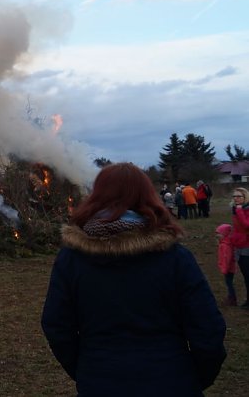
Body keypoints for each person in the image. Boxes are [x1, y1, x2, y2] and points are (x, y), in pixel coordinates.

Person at [41, 162, 226, 396]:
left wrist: (87, 370)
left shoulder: (71, 259)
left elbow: (56, 326)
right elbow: (207, 329)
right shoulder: (175, 258)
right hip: (172, 380)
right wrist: (194, 378)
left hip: (100, 382)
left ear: (96, 196)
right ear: (147, 196)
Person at [229, 187, 249, 307]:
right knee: (245, 275)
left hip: (247, 246)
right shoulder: (235, 209)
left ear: (244, 197)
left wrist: (240, 211)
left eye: (238, 196)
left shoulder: (245, 209)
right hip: (238, 245)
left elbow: (247, 225)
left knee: (248, 275)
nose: (236, 198)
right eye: (234, 196)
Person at [216, 224, 237, 306]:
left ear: (224, 234)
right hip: (229, 268)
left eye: (219, 233)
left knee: (229, 284)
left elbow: (226, 258)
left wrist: (224, 269)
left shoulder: (225, 245)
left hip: (228, 269)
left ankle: (232, 298)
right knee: (229, 283)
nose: (217, 235)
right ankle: (230, 297)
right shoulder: (225, 243)